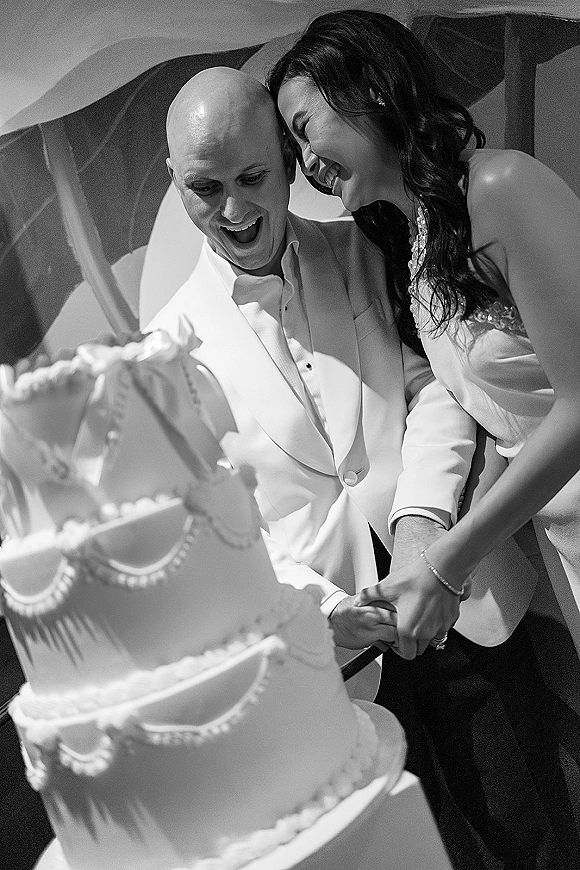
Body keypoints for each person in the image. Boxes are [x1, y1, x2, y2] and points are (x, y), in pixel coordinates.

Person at [147, 67, 579, 869]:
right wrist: (325, 611)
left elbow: (441, 392)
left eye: (252, 178)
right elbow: (215, 519)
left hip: (463, 598)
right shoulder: (164, 349)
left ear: (284, 158)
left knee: (541, 838)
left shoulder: (370, 244)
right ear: (176, 185)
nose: (235, 211)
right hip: (335, 666)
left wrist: (423, 536)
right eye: (206, 189)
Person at [270, 8, 580, 664]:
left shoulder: (503, 186)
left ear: (371, 91)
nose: (305, 164)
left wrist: (449, 559)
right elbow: (509, 427)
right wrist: (437, 566)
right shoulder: (418, 249)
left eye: (304, 131)